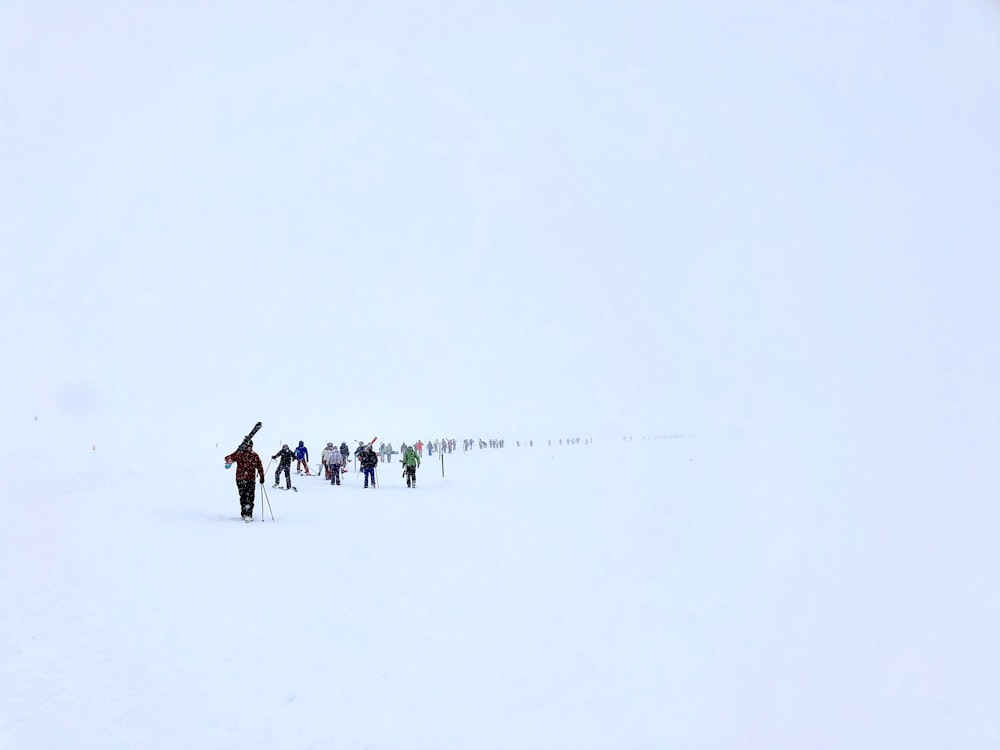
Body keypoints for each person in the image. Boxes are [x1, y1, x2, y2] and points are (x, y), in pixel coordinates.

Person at [224, 440, 265, 521]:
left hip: (250, 479)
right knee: (244, 496)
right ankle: (245, 513)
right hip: (240, 479)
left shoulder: (254, 455)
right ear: (244, 446)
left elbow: (259, 466)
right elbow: (227, 458)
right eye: (247, 446)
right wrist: (235, 453)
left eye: (250, 446)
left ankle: (248, 514)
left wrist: (262, 476)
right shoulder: (239, 454)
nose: (249, 448)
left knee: (250, 497)